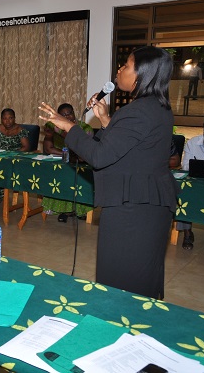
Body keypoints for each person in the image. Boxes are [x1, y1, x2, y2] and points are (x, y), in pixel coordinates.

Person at [38, 46, 178, 299]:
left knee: (123, 277)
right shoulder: (157, 107)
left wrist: (70, 127)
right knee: (143, 274)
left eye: (126, 65)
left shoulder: (137, 111)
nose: (119, 70)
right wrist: (105, 119)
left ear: (141, 75)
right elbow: (131, 147)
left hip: (133, 206)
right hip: (148, 202)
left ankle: (121, 325)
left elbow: (100, 157)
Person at [42, 103, 94, 222]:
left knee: (74, 174)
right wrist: (68, 155)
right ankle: (65, 210)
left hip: (81, 164)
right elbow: (48, 149)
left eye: (70, 113)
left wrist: (70, 155)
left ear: (74, 113)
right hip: (61, 162)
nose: (68, 117)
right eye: (63, 115)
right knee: (59, 173)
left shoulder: (86, 129)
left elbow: (84, 155)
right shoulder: (52, 126)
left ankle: (78, 210)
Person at [176, 116, 204, 252]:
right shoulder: (192, 143)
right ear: (203, 131)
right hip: (195, 181)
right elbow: (185, 165)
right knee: (183, 194)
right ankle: (187, 234)